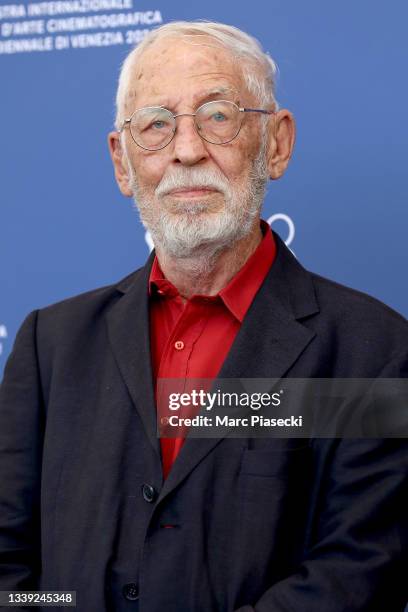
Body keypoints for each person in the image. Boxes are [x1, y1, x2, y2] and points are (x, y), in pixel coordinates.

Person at [0, 20, 407, 612]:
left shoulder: (374, 352)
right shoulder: (51, 347)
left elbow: (358, 574)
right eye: (156, 125)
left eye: (218, 115)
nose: (187, 150)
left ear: (276, 143)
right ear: (121, 161)